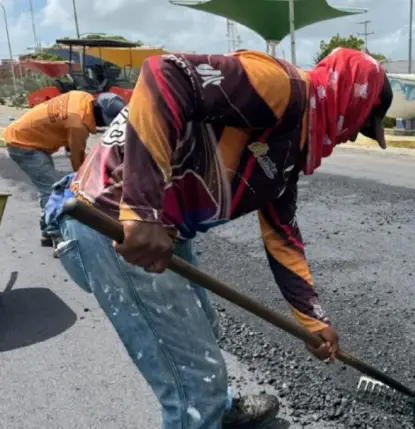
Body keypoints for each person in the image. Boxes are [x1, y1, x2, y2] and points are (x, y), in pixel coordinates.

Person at [44, 48, 393, 429]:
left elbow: (282, 236)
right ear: (354, 101)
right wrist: (141, 209)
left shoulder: (293, 143)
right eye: (360, 126)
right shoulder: (283, 88)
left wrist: (313, 320)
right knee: (192, 382)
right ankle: (204, 413)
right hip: (113, 228)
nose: (350, 138)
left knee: (205, 330)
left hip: (160, 235)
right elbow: (164, 75)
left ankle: (220, 412)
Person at [3, 90, 125, 247]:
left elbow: (68, 135)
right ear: (99, 112)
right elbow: (77, 158)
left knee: (48, 186)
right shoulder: (78, 124)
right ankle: (57, 236)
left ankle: (47, 231)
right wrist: (83, 183)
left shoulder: (82, 98)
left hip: (28, 138)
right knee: (52, 189)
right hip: (23, 144)